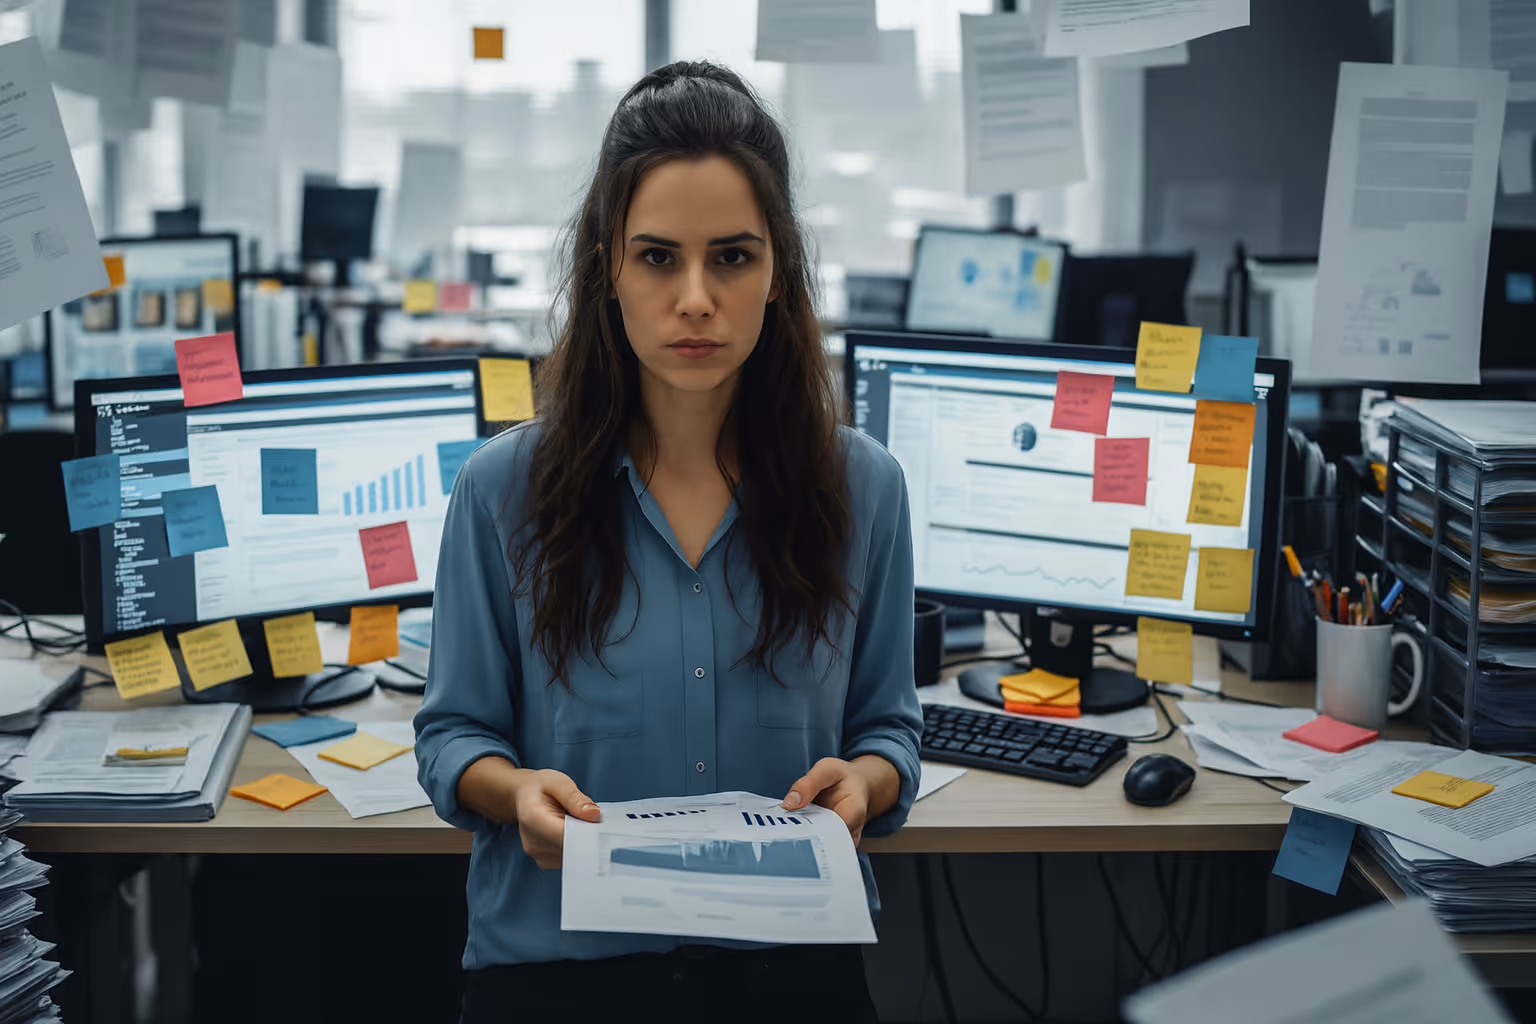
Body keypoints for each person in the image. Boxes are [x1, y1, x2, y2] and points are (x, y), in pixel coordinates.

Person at [414, 60, 921, 1023]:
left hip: (788, 970)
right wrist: (512, 791)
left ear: (780, 272)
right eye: (658, 258)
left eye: (732, 256)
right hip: (559, 978)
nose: (696, 298)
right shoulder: (499, 492)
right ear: (608, 264)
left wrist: (865, 780)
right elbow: (451, 737)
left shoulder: (865, 489)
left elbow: (889, 729)